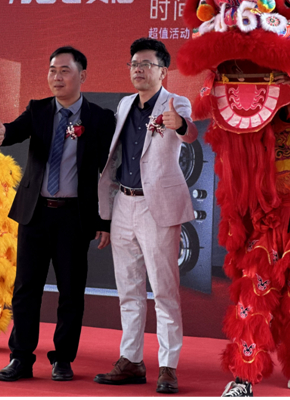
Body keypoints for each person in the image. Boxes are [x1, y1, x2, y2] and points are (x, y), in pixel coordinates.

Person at [0, 46, 115, 382]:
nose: (56, 77)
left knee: (71, 292)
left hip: (73, 217)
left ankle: (63, 359)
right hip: (35, 214)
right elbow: (14, 130)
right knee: (25, 289)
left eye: (64, 71)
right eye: (52, 71)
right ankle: (21, 357)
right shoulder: (39, 110)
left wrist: (104, 221)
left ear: (82, 75)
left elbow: (109, 172)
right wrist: (1, 135)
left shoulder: (100, 118)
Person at [94, 38, 198, 394]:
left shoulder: (176, 103)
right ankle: (131, 360)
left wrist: (179, 124)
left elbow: (190, 134)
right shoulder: (124, 104)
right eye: (134, 64)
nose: (138, 70)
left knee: (164, 291)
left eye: (146, 64)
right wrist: (106, 213)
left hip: (158, 207)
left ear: (163, 71)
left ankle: (168, 366)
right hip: (123, 203)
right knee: (129, 288)